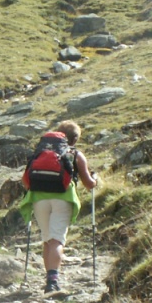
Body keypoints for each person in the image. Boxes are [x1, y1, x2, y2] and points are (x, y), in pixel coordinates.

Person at [18, 120, 98, 293]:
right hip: (63, 198)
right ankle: (53, 281)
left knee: (47, 239)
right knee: (57, 239)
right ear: (75, 139)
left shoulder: (40, 152)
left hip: (38, 199)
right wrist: (95, 179)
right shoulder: (75, 154)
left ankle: (49, 278)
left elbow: (25, 181)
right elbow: (89, 184)